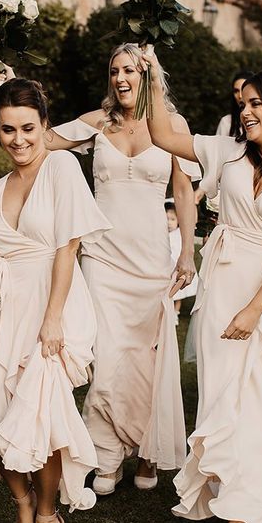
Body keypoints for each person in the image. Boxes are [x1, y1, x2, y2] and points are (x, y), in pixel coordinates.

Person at [143, 53, 262, 523]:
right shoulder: (226, 153)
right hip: (225, 283)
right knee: (227, 398)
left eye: (255, 103)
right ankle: (235, 507)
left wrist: (255, 310)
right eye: (242, 103)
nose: (244, 111)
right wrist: (155, 76)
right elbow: (161, 134)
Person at [0, 78, 111, 523]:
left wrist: (52, 320)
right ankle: (21, 502)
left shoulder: (63, 167)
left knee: (41, 418)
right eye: (8, 130)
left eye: (28, 127)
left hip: (56, 307)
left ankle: (48, 516)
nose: (19, 139)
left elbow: (68, 248)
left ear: (45, 126)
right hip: (6, 314)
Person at [41, 43, 201, 495]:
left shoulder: (173, 126)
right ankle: (108, 455)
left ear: (147, 73)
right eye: (114, 71)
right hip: (103, 258)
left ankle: (147, 452)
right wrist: (11, 86)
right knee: (108, 355)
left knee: (148, 360)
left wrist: (186, 252)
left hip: (152, 260)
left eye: (130, 69)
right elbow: (43, 139)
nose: (120, 78)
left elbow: (185, 193)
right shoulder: (97, 122)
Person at [195, 70, 255, 237]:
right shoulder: (227, 122)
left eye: (243, 89)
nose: (240, 95)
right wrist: (202, 189)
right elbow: (217, 159)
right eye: (236, 91)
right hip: (227, 184)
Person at [166, 200, 198, 319]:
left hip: (178, 267)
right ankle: (167, 311)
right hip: (167, 267)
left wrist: (193, 203)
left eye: (172, 219)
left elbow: (192, 219)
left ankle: (175, 313)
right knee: (168, 291)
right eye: (166, 219)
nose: (169, 222)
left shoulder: (180, 232)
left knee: (178, 292)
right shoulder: (162, 233)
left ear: (179, 220)